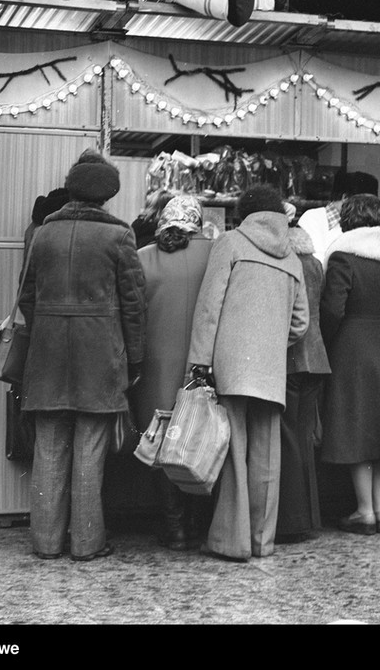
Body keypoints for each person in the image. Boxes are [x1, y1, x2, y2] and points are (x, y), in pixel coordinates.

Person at [19, 154, 147, 561]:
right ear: (108, 194)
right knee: (90, 448)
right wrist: (136, 357)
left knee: (50, 446)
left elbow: (27, 298)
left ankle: (45, 542)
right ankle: (87, 543)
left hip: (48, 354)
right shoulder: (120, 237)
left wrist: (50, 329)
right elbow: (134, 305)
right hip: (99, 355)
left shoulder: (44, 234)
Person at [187, 184, 309, 562]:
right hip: (270, 369)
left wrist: (200, 362)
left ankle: (231, 542)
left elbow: (210, 307)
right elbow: (301, 323)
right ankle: (261, 542)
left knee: (234, 453)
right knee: (267, 459)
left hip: (232, 365)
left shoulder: (231, 243)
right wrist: (271, 340)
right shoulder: (292, 257)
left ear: (246, 212)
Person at [319, 193, 380, 535]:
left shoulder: (344, 256)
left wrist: (327, 341)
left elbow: (333, 309)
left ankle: (364, 510)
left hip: (352, 347)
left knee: (357, 429)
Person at [135, 194, 214, 550]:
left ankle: (174, 526)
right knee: (199, 439)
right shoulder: (214, 253)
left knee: (161, 443)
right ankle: (198, 521)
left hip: (156, 366)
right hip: (203, 365)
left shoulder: (143, 258)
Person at [274, 204, 331, 545]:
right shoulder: (314, 262)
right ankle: (309, 518)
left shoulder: (285, 261)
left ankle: (290, 521)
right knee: (304, 440)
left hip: (290, 358)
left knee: (287, 440)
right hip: (317, 359)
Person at [298, 170, 379, 267]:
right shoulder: (312, 218)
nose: (368, 211)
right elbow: (316, 263)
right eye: (365, 204)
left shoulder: (360, 224)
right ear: (345, 198)